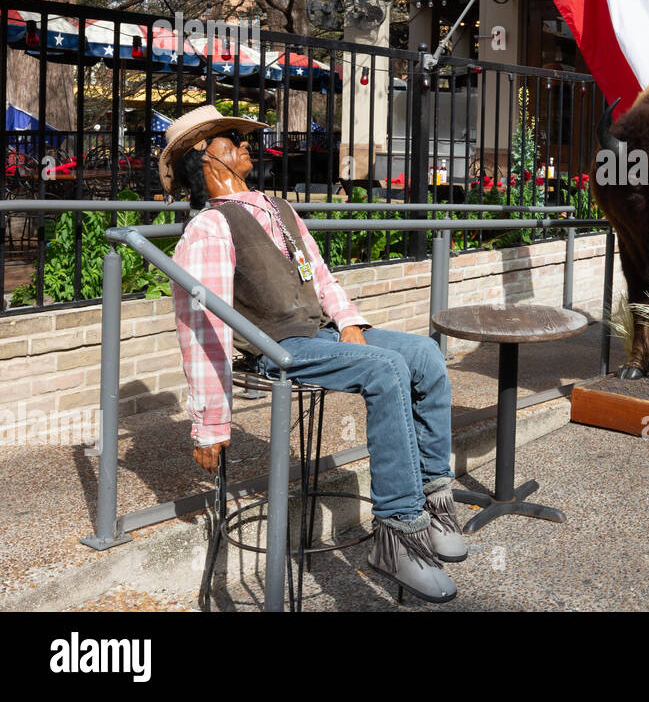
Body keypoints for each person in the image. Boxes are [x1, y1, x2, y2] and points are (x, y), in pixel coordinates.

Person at [159, 105, 465, 604]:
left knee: (426, 354)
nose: (245, 143)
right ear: (203, 155)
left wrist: (348, 322)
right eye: (232, 138)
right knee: (387, 370)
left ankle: (436, 501)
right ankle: (398, 534)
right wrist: (210, 425)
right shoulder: (209, 228)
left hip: (318, 333)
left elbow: (320, 277)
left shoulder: (278, 209)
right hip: (274, 347)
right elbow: (202, 329)